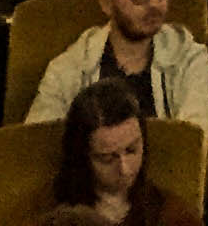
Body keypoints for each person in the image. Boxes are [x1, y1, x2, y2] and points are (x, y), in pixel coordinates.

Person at [27, 0, 208, 127]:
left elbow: (194, 139)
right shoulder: (71, 67)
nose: (155, 4)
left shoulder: (189, 56)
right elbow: (39, 141)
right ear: (107, 4)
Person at [49, 78, 200, 226]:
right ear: (82, 156)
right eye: (107, 158)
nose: (125, 169)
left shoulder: (171, 215)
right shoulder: (51, 210)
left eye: (131, 150)